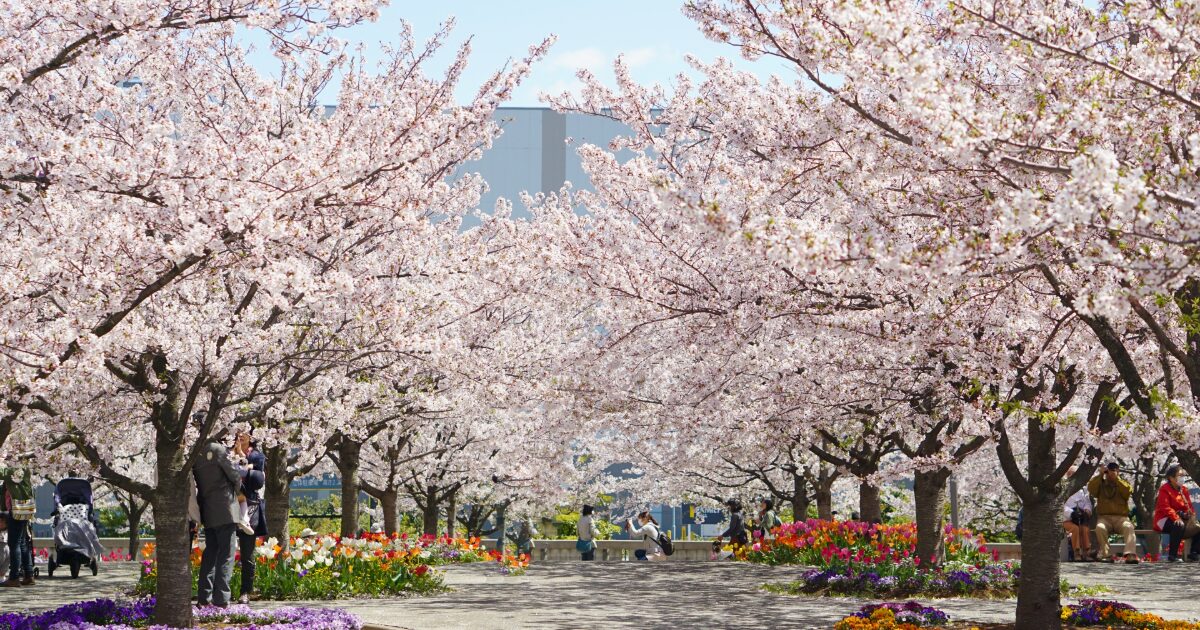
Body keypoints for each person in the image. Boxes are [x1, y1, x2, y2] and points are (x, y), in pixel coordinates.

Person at [194, 437, 246, 607]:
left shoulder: (195, 453)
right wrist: (238, 488)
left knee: (210, 554)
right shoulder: (218, 449)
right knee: (226, 555)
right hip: (226, 509)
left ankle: (204, 597)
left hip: (208, 510)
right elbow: (234, 476)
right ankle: (222, 599)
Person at [232, 432, 267, 604]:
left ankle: (246, 590)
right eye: (237, 433)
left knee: (247, 553)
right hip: (228, 504)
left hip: (249, 506)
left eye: (243, 432)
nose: (240, 436)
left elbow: (257, 478)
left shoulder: (257, 456)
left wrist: (240, 456)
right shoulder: (226, 452)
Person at [1088, 462, 1140, 564]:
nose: (1111, 473)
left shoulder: (1123, 483)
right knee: (1100, 528)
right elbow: (1091, 489)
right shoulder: (1100, 484)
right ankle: (1106, 554)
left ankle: (1130, 554)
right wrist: (1100, 475)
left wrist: (1117, 479)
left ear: (1118, 471)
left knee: (1129, 527)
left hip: (1121, 518)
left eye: (1114, 471)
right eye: (1109, 471)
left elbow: (1127, 491)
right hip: (1104, 518)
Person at [1154, 465, 1200, 562]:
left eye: (1183, 475)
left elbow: (1189, 507)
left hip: (1181, 518)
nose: (1182, 477)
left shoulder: (1184, 490)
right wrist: (1176, 518)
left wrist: (1190, 515)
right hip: (1164, 519)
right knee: (1179, 524)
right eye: (1179, 475)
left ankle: (1194, 552)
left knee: (1198, 525)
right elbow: (1164, 507)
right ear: (1171, 478)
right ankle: (1172, 555)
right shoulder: (1164, 489)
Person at [1, 465, 34, 587]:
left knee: (14, 543)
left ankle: (14, 577)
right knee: (22, 543)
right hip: (25, 508)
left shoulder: (14, 469)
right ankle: (29, 575)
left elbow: (2, 472)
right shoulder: (25, 468)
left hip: (17, 509)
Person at [1063, 482, 1095, 561]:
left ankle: (1086, 552)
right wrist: (1072, 513)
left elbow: (1087, 503)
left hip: (1080, 517)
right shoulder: (1064, 490)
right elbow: (1061, 505)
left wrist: (1086, 511)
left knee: (1085, 529)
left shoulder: (1083, 490)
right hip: (1067, 519)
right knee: (1075, 529)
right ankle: (1076, 552)